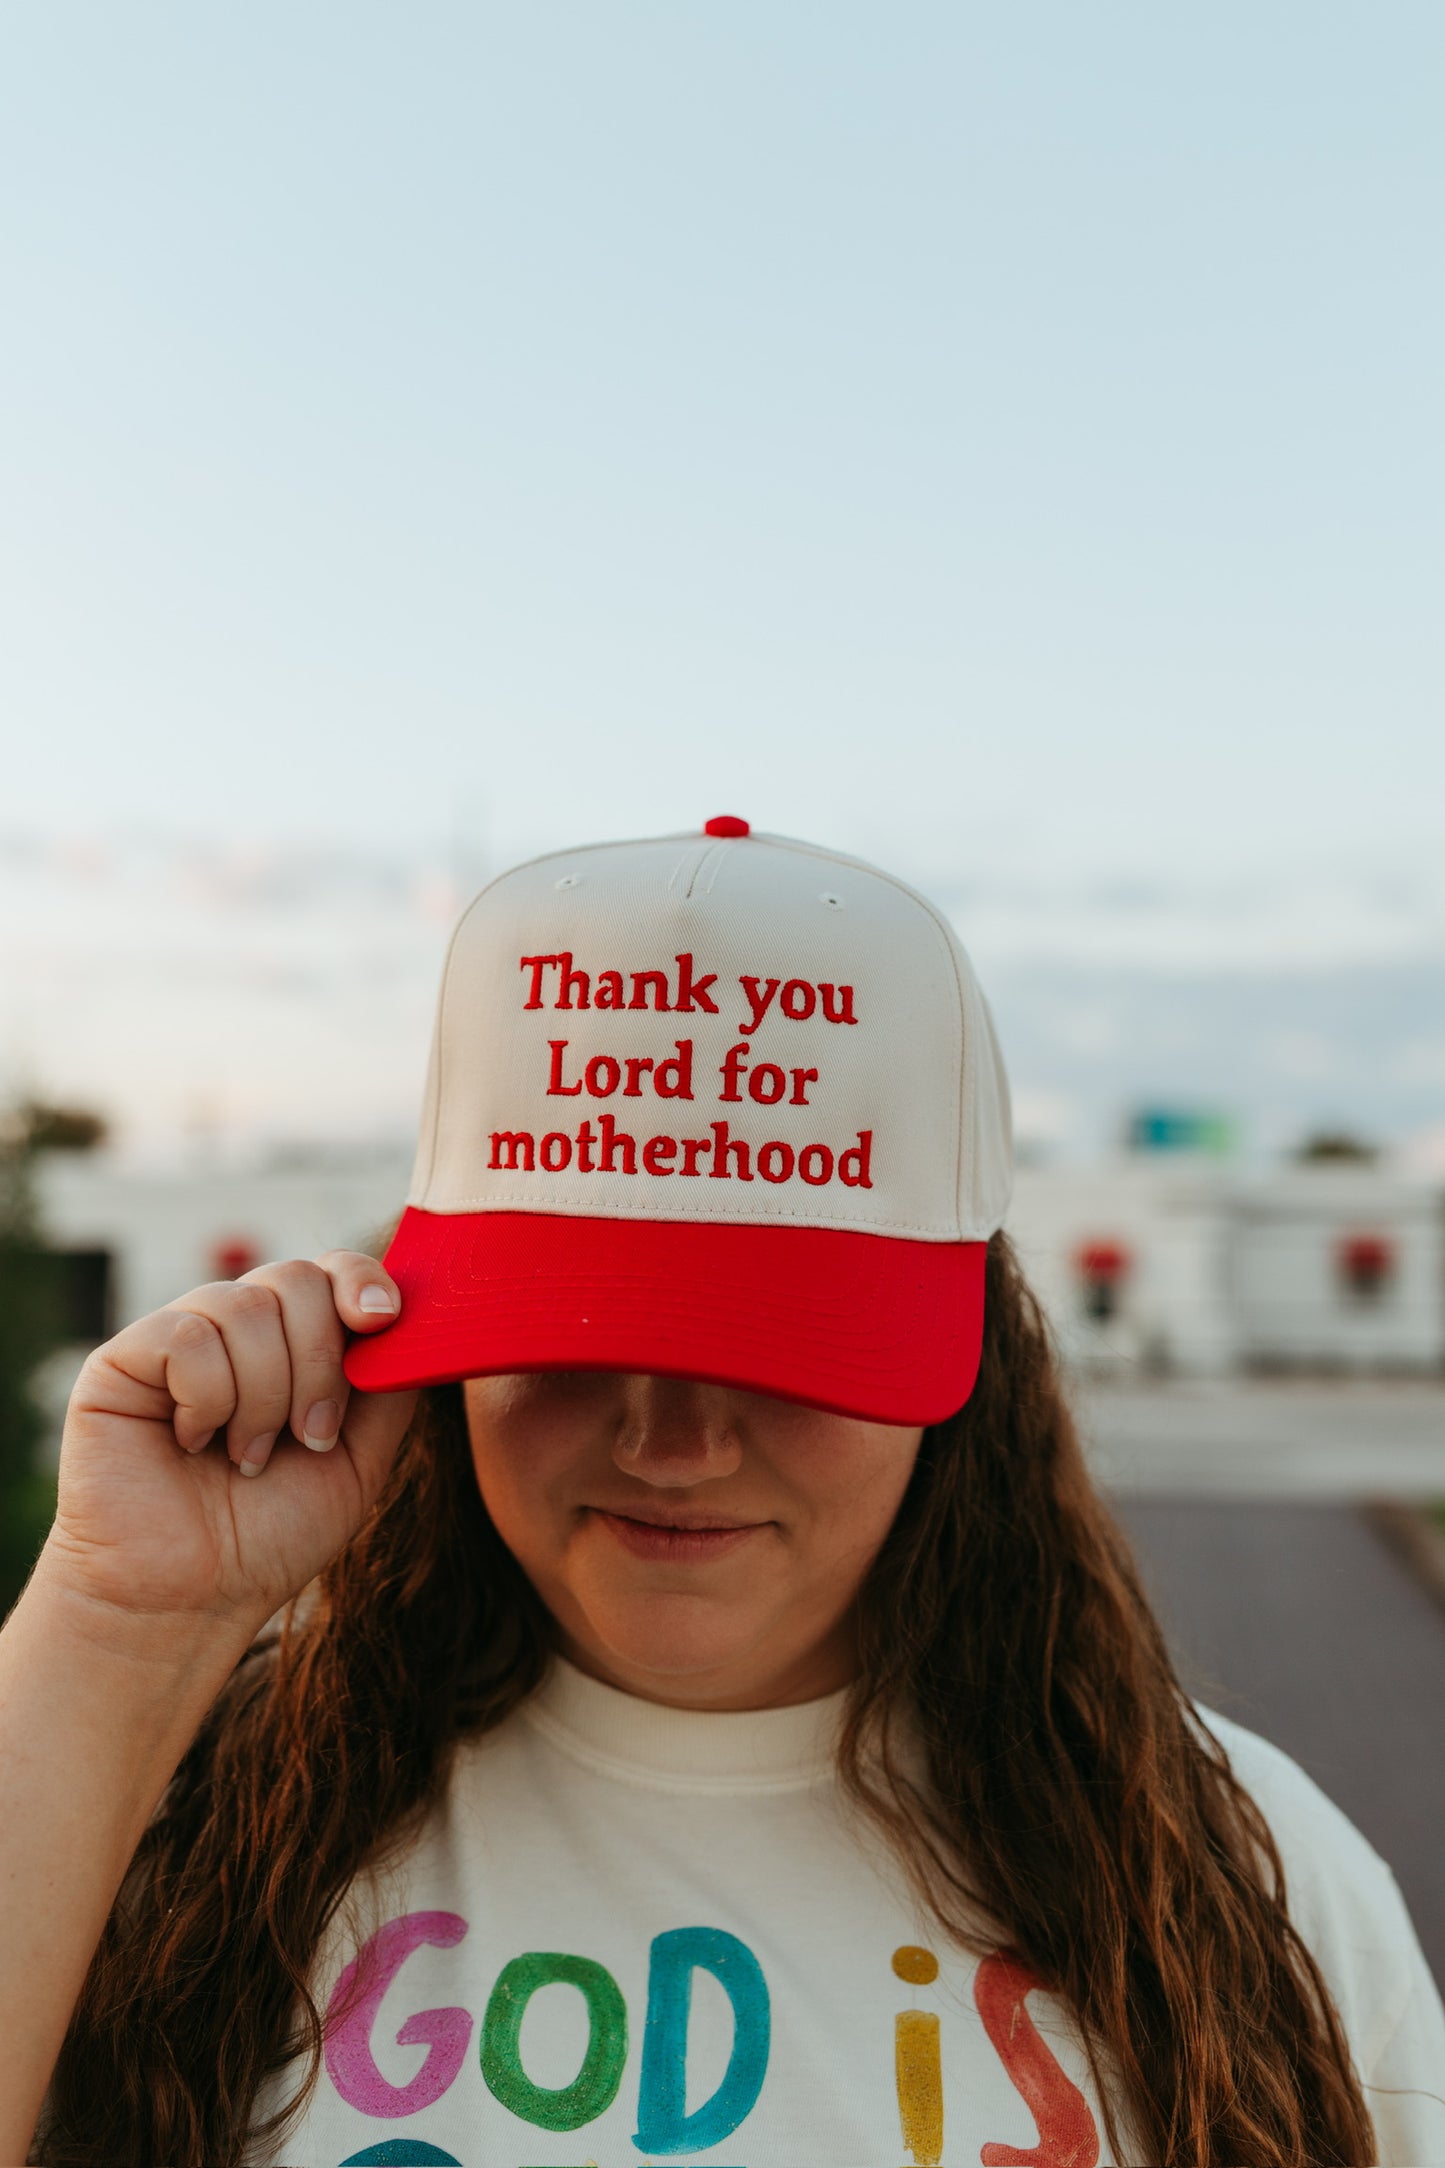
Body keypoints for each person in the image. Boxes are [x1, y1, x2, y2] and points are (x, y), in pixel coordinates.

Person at [3, 817, 1442, 2168]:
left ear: (972, 1371)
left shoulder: (1246, 1887)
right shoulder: (175, 1809)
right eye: (574, 1338)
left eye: (778, 1348)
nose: (671, 1441)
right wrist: (119, 1622)